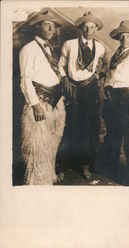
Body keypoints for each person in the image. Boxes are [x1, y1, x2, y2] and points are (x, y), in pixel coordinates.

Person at [19, 9, 66, 185]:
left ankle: (50, 175)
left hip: (56, 102)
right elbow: (25, 79)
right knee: (37, 147)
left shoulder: (51, 50)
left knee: (53, 143)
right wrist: (35, 105)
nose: (51, 28)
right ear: (37, 27)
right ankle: (37, 182)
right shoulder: (28, 49)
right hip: (39, 103)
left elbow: (55, 71)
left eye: (53, 26)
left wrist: (64, 80)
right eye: (47, 24)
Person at [58, 11, 107, 179]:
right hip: (72, 86)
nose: (88, 30)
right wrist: (64, 79)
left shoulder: (100, 47)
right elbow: (60, 65)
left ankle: (85, 166)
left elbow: (102, 66)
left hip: (90, 89)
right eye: (85, 27)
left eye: (92, 27)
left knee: (89, 127)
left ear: (96, 29)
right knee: (70, 125)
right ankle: (63, 165)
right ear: (81, 28)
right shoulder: (69, 44)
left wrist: (95, 77)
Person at [102, 20, 129, 185]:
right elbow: (109, 77)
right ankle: (112, 171)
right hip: (114, 101)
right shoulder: (116, 54)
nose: (124, 39)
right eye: (122, 36)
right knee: (113, 136)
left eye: (128, 36)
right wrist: (107, 88)